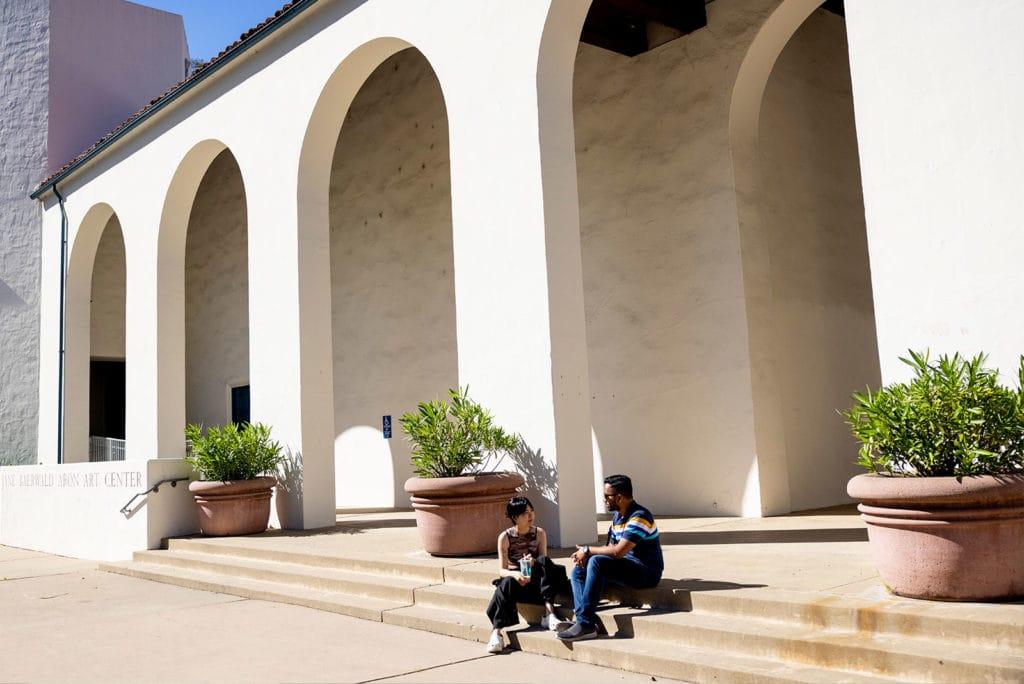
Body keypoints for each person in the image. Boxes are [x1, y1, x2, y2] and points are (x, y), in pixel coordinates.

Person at [557, 474, 663, 642]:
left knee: (596, 561)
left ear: (619, 497)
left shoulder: (640, 516)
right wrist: (585, 556)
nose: (604, 500)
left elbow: (617, 552)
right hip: (624, 567)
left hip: (645, 572)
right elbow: (609, 547)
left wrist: (587, 550)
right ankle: (585, 619)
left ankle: (585, 623)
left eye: (607, 496)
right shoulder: (618, 516)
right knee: (579, 570)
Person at [485, 496, 573, 654]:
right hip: (518, 583)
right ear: (514, 517)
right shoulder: (505, 537)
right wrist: (516, 574)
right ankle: (496, 634)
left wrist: (533, 562)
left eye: (532, 511)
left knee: (544, 561)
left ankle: (549, 614)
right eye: (525, 513)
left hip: (538, 584)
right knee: (504, 583)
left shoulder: (539, 533)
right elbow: (501, 570)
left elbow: (544, 562)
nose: (530, 516)